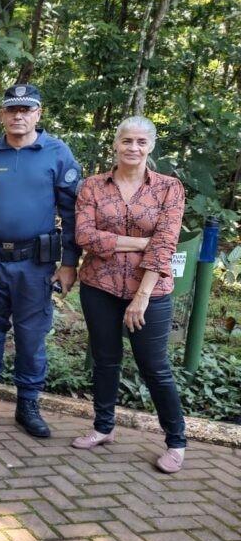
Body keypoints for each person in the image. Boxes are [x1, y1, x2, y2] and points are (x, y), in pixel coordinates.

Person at [0, 83, 81, 438]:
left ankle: (28, 404)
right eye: (12, 109)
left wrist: (69, 263)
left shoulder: (56, 153)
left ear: (38, 113)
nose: (19, 115)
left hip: (34, 265)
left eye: (27, 109)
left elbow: (73, 214)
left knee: (31, 335)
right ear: (3, 114)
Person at [72, 116, 187, 473]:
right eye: (127, 141)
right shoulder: (92, 186)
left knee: (154, 367)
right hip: (99, 287)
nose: (133, 148)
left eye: (140, 142)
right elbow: (85, 237)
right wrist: (141, 242)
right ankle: (103, 427)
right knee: (105, 361)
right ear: (115, 144)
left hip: (149, 292)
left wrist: (141, 298)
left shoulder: (169, 188)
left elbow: (166, 244)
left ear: (151, 146)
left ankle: (176, 441)